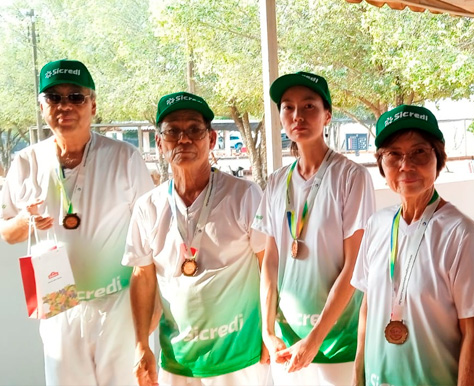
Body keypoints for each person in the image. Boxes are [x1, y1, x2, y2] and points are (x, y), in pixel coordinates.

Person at [0, 59, 154, 385]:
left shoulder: (125, 158)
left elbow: (150, 234)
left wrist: (152, 311)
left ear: (93, 105)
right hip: (58, 305)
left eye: (76, 97)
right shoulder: (25, 162)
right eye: (54, 97)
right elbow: (7, 233)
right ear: (42, 107)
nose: (65, 105)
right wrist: (28, 219)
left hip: (119, 303)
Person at [124, 92, 269, 386]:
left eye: (194, 130)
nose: (184, 140)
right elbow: (143, 275)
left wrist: (270, 331)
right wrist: (142, 344)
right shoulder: (148, 206)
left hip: (240, 358)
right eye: (172, 132)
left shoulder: (244, 195)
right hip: (179, 363)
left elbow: (268, 264)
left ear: (211, 139)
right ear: (159, 143)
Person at [351, 105, 474, 386]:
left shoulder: (461, 234)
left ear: (438, 158)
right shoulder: (377, 225)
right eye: (394, 155)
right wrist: (357, 378)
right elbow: (367, 310)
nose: (406, 165)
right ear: (381, 163)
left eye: (419, 152)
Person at [252, 71, 375, 385]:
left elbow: (354, 266)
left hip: (335, 342)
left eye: (309, 106)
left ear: (327, 116)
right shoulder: (278, 181)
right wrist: (268, 331)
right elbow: (271, 259)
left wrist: (316, 338)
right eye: (288, 107)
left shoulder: (351, 177)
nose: (297, 116)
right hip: (287, 340)